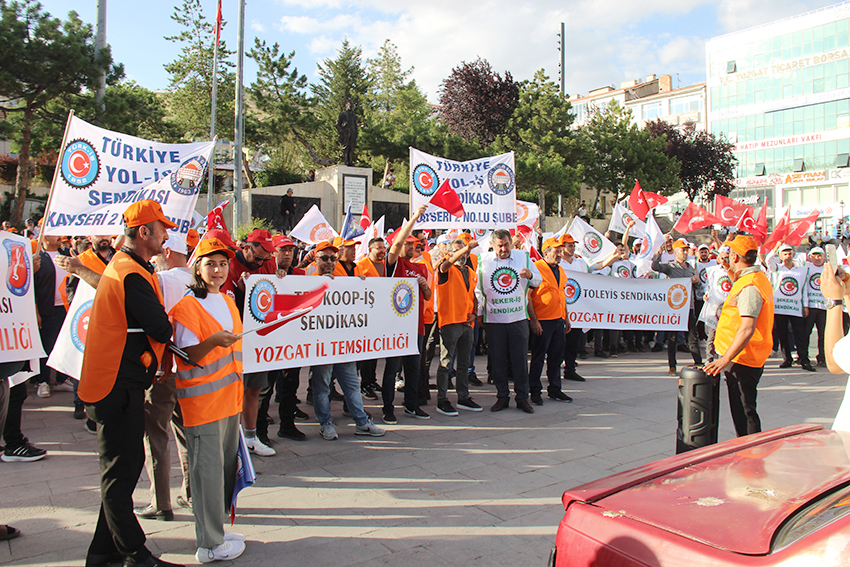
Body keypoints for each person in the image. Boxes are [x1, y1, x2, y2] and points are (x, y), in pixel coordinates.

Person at [77, 200, 183, 567]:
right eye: (162, 229)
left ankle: (102, 552)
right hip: (116, 384)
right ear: (144, 233)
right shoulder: (131, 273)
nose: (166, 235)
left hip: (117, 382)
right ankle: (134, 553)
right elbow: (160, 326)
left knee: (122, 468)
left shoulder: (127, 267)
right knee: (122, 471)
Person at [170, 238, 247, 563]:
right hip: (202, 404)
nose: (217, 270)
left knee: (224, 471)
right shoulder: (187, 307)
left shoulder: (227, 301)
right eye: (210, 264)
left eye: (222, 264)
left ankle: (216, 529)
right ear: (197, 267)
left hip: (230, 401)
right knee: (207, 473)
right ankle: (209, 544)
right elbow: (186, 356)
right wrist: (213, 342)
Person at [134, 232, 193, 522]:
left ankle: (161, 502)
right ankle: (192, 493)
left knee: (155, 433)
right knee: (187, 432)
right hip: (192, 366)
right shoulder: (199, 280)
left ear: (168, 252)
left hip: (164, 366)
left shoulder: (161, 280)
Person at [308, 241, 385, 439]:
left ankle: (361, 422)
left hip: (344, 344)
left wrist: (358, 285)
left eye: (332, 258)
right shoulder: (308, 277)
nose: (329, 262)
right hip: (321, 345)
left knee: (351, 384)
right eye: (324, 258)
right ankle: (325, 423)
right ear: (315, 259)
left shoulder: (343, 278)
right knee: (323, 385)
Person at [704, 235, 775, 438]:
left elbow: (747, 328)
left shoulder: (750, 286)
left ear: (735, 257)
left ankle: (751, 450)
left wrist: (725, 359)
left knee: (744, 412)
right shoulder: (754, 278)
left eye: (730, 254)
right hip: (744, 356)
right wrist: (728, 268)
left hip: (742, 359)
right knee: (742, 408)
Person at [221, 229, 278, 456]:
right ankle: (231, 439)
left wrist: (282, 273)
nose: (263, 262)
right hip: (233, 338)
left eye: (266, 258)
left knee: (254, 388)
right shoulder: (228, 265)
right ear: (246, 248)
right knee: (233, 389)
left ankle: (251, 437)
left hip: (257, 338)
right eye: (259, 257)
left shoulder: (269, 264)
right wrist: (244, 292)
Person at [475, 229, 542, 413]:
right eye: (499, 246)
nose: (503, 249)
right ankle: (502, 397)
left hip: (518, 318)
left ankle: (522, 398)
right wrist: (480, 312)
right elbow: (479, 290)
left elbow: (538, 280)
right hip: (494, 320)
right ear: (492, 245)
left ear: (511, 243)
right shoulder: (484, 261)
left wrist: (530, 275)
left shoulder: (524, 257)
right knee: (498, 361)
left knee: (520, 360)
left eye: (506, 245)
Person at [381, 207, 432, 422]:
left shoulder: (419, 267)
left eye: (414, 244)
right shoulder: (393, 264)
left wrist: (423, 285)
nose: (412, 246)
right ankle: (388, 409)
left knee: (413, 368)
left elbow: (428, 296)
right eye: (408, 243)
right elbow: (396, 244)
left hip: (416, 326)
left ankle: (411, 405)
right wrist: (414, 218)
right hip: (396, 327)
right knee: (392, 369)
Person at [267, 235, 308, 442]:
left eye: (290, 250)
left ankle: (287, 424)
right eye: (282, 250)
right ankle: (259, 431)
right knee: (265, 387)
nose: (287, 254)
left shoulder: (300, 273)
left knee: (291, 382)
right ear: (273, 252)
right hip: (269, 341)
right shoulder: (265, 274)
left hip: (293, 339)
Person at [435, 238, 481, 416]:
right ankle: (442, 400)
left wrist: (474, 313)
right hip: (450, 323)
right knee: (446, 363)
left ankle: (463, 397)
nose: (463, 254)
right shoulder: (444, 268)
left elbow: (473, 296)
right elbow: (445, 266)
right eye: (457, 251)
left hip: (466, 323)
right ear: (448, 253)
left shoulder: (469, 271)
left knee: (464, 363)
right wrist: (466, 248)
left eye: (465, 251)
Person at [527, 237, 573, 405]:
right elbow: (528, 296)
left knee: (556, 357)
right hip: (543, 320)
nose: (559, 253)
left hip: (558, 320)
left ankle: (555, 389)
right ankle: (535, 391)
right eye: (556, 250)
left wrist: (566, 317)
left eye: (560, 250)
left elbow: (562, 294)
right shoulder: (537, 268)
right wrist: (534, 321)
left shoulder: (560, 270)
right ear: (545, 253)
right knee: (538, 357)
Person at [651, 237, 703, 376]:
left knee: (693, 337)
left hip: (689, 307)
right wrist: (658, 254)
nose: (685, 253)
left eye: (686, 250)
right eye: (682, 250)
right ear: (675, 252)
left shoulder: (691, 268)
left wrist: (696, 281)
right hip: (674, 308)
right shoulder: (671, 266)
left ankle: (698, 363)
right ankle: (672, 365)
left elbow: (698, 286)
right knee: (672, 338)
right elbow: (655, 267)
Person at [767, 244, 813, 371]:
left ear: (793, 255)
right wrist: (775, 247)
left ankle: (804, 359)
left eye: (789, 254)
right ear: (780, 256)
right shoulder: (776, 268)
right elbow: (768, 260)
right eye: (785, 254)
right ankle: (787, 359)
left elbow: (804, 289)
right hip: (780, 307)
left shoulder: (801, 270)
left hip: (795, 307)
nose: (787, 256)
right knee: (783, 334)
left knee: (800, 334)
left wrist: (806, 305)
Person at [804, 246, 827, 367]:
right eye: (814, 256)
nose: (817, 258)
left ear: (824, 257)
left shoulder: (828, 269)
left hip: (824, 306)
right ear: (810, 257)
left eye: (819, 256)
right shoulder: (806, 268)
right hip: (811, 305)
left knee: (823, 334)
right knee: (806, 332)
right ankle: (804, 356)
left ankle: (822, 357)